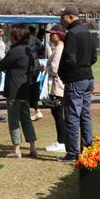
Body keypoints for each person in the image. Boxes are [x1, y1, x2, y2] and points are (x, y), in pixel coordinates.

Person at [58, 5, 97, 162]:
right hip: (88, 77)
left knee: (72, 115)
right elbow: (94, 57)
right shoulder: (87, 33)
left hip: (75, 79)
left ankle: (73, 153)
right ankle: (87, 149)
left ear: (71, 17)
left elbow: (70, 59)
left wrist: (65, 74)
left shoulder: (72, 34)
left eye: (63, 17)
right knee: (85, 114)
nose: (61, 20)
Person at [0, 24, 38, 158]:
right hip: (24, 90)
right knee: (26, 119)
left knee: (14, 120)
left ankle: (17, 150)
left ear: (16, 36)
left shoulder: (14, 51)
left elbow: (1, 65)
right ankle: (33, 149)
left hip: (13, 90)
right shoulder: (28, 50)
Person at [44, 24, 66, 153]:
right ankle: (61, 140)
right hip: (57, 85)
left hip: (58, 86)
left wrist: (48, 69)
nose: (51, 36)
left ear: (59, 35)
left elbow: (55, 68)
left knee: (58, 113)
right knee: (57, 113)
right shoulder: (58, 47)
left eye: (52, 33)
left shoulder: (60, 47)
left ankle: (62, 142)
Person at [27, 26, 44, 121]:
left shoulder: (24, 39)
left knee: (27, 89)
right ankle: (37, 110)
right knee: (34, 89)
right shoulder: (35, 39)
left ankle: (34, 111)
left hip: (29, 68)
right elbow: (41, 47)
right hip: (36, 66)